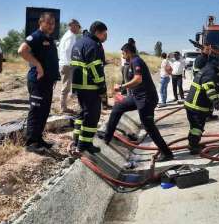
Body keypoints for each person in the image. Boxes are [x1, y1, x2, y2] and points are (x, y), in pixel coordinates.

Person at [100, 43, 174, 161]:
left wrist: (121, 87)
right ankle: (107, 137)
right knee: (117, 108)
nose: (123, 56)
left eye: (124, 53)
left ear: (128, 52)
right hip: (137, 97)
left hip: (146, 99)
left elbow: (138, 79)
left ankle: (167, 153)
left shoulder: (136, 61)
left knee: (149, 126)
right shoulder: (131, 63)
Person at [18, 12, 61, 151]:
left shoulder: (49, 38)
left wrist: (53, 77)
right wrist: (37, 65)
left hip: (47, 81)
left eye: (53, 23)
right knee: (36, 111)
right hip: (37, 80)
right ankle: (31, 143)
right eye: (48, 23)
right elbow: (22, 51)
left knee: (44, 111)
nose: (51, 26)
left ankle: (38, 139)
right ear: (40, 23)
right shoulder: (36, 36)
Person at [71, 21, 108, 153]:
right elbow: (94, 67)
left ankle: (76, 140)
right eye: (105, 34)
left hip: (79, 85)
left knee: (82, 113)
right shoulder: (93, 45)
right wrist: (102, 86)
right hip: (90, 86)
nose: (105, 37)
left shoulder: (79, 42)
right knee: (92, 116)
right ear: (98, 32)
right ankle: (84, 145)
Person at [184, 60, 219, 154]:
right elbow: (208, 87)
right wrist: (215, 100)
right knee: (197, 128)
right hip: (196, 107)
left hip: (193, 106)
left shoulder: (206, 69)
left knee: (195, 127)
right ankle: (194, 147)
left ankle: (193, 144)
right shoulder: (211, 72)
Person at [58, 19, 81, 114]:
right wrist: (72, 62)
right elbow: (68, 50)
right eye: (78, 27)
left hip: (64, 63)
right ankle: (63, 108)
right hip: (67, 64)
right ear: (73, 26)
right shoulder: (71, 36)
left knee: (66, 86)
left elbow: (60, 50)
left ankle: (63, 106)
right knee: (66, 87)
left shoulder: (66, 35)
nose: (78, 29)